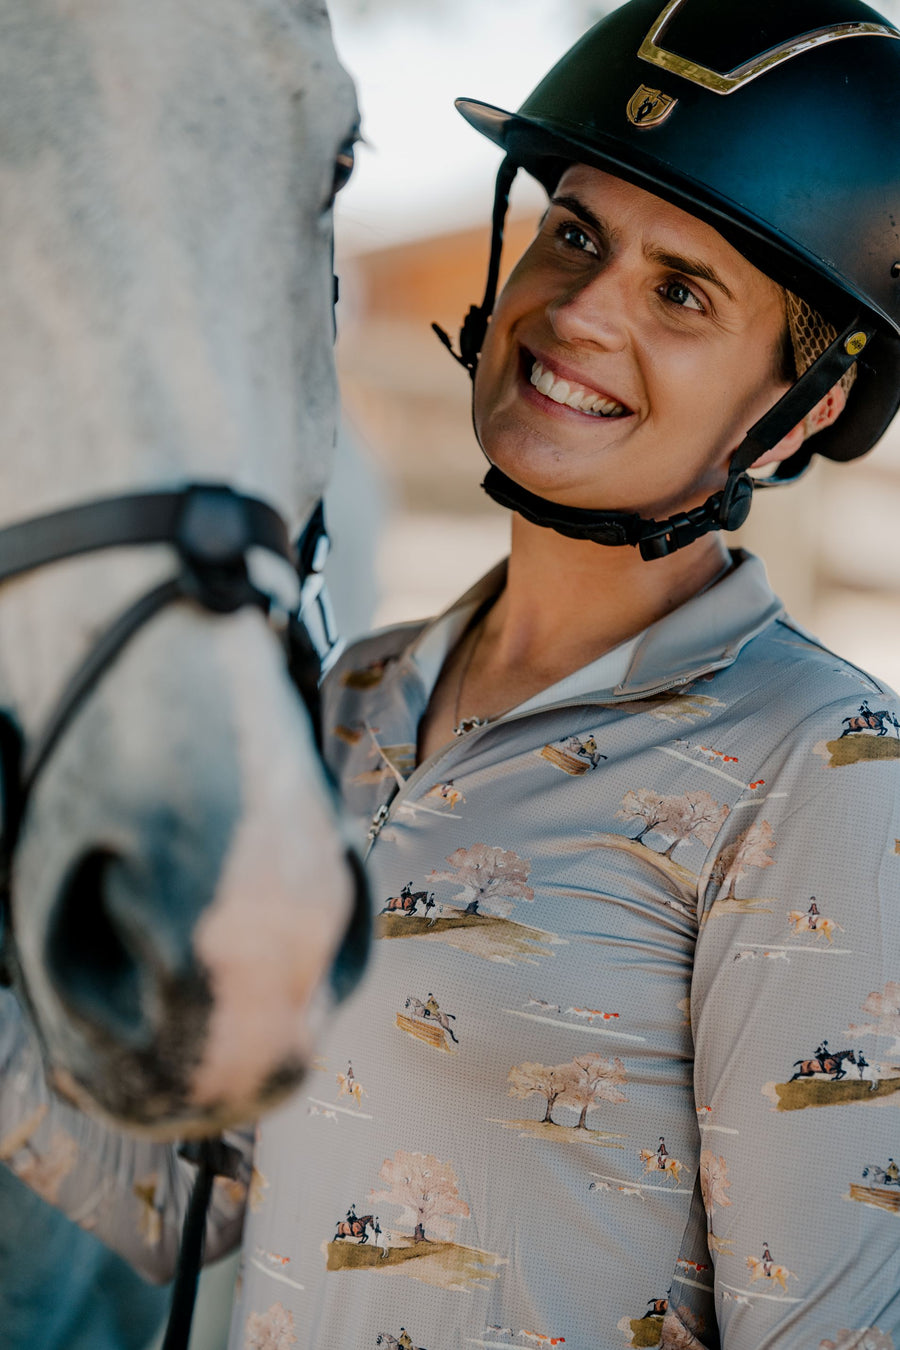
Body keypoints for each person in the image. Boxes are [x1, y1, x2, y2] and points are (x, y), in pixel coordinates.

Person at [3, 2, 900, 1348]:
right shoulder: (346, 695)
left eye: (682, 292)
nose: (582, 311)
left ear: (805, 409)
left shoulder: (824, 764)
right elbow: (174, 1188)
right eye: (577, 233)